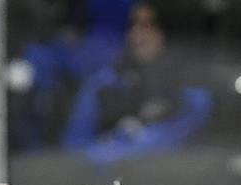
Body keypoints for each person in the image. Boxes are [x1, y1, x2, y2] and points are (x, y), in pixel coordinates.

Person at [61, 3, 213, 168]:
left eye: (148, 26)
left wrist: (122, 141)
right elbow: (75, 146)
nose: (137, 35)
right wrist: (105, 150)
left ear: (169, 31)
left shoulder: (193, 92)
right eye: (133, 26)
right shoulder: (103, 83)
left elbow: (177, 144)